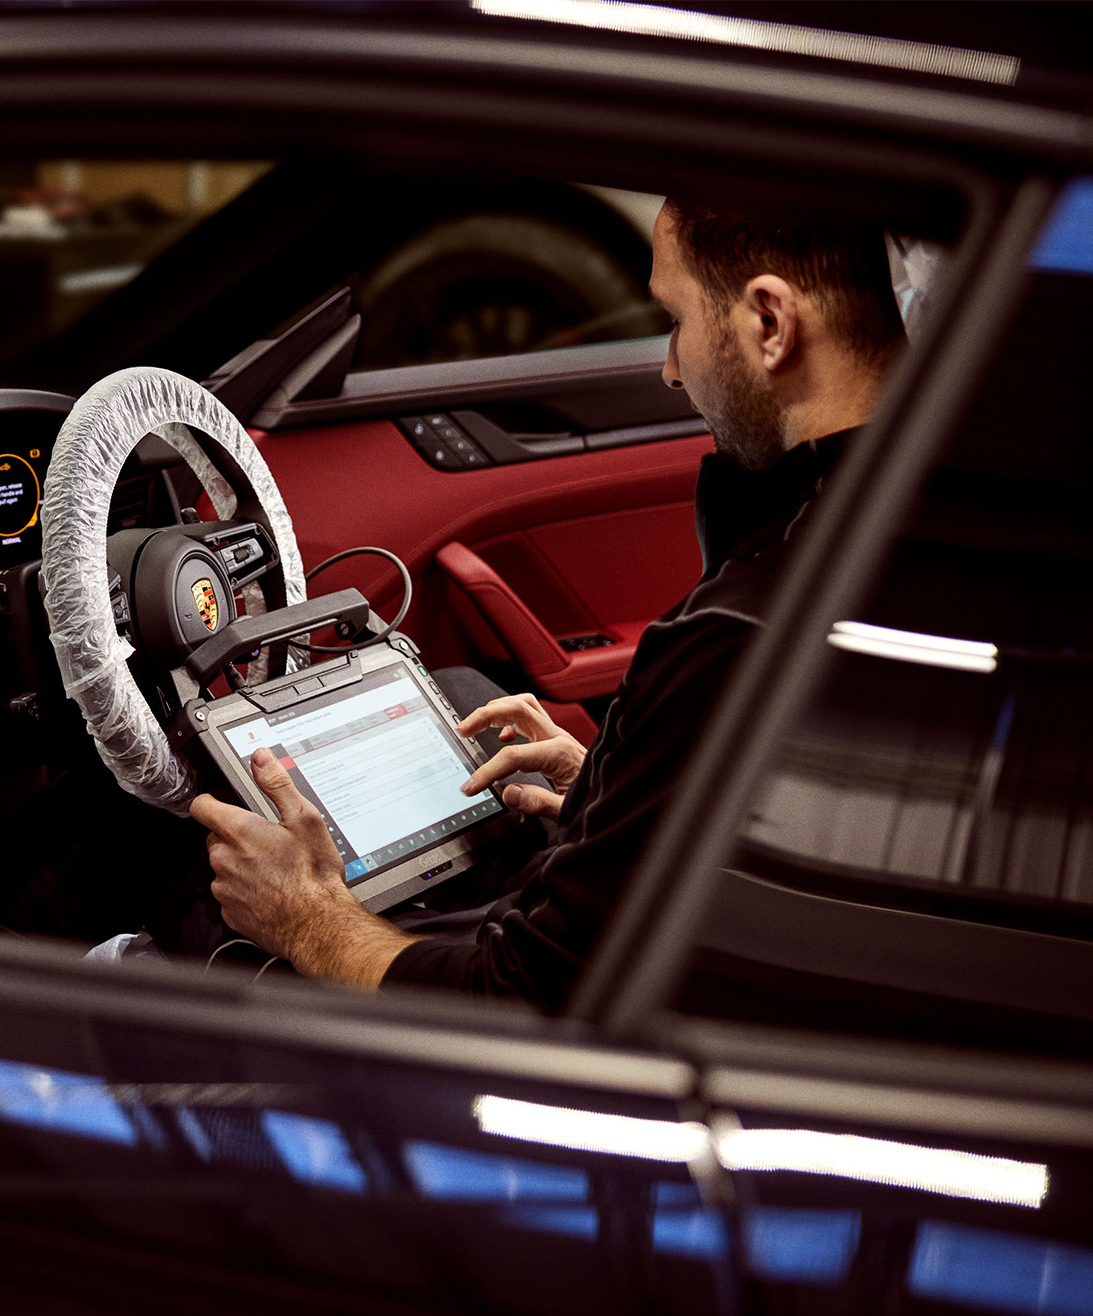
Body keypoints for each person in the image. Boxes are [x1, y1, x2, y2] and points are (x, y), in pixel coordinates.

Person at [189, 197, 906, 1008]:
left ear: (770, 323)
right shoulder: (890, 527)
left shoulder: (742, 632)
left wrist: (306, 922)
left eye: (676, 319)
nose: (671, 367)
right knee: (466, 700)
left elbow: (529, 1003)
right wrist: (617, 793)